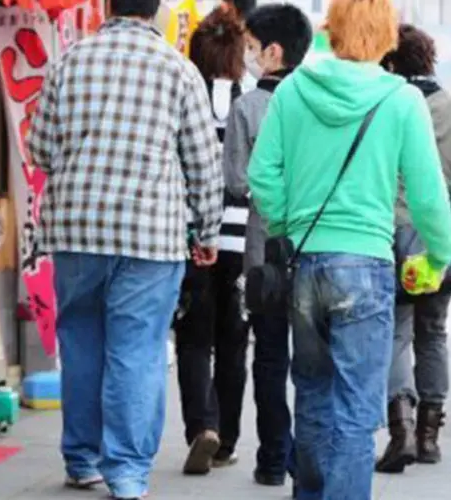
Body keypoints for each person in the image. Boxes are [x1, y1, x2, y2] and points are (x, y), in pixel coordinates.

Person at [248, 0, 451, 498]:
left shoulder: (293, 90)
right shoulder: (400, 99)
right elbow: (428, 195)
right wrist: (439, 257)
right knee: (357, 414)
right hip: (365, 267)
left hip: (304, 266)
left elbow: (261, 176)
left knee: (314, 399)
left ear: (331, 30)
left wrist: (289, 223)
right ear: (386, 36)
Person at [27, 0, 224, 497]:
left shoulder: (69, 61)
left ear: (108, 7)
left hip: (76, 230)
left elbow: (41, 149)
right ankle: (128, 473)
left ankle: (81, 458)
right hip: (150, 235)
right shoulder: (178, 70)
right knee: (137, 350)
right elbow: (203, 162)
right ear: (154, 10)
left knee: (82, 342)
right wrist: (206, 232)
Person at [224, 3, 312, 489]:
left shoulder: (248, 107)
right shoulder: (315, 103)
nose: (250, 56)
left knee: (271, 358)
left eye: (253, 48)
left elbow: (237, 182)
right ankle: (308, 459)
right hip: (316, 250)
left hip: (264, 255)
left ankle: (273, 458)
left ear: (274, 51)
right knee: (314, 362)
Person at [174, 3, 248, 476]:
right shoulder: (251, 99)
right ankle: (228, 442)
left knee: (194, 337)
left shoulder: (185, 95)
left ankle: (202, 426)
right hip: (242, 239)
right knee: (234, 340)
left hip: (191, 235)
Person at [376, 24, 451, 474]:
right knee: (434, 330)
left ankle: (400, 428)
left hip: (393, 232)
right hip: (439, 235)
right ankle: (429, 437)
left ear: (391, 63)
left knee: (395, 331)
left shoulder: (388, 107)